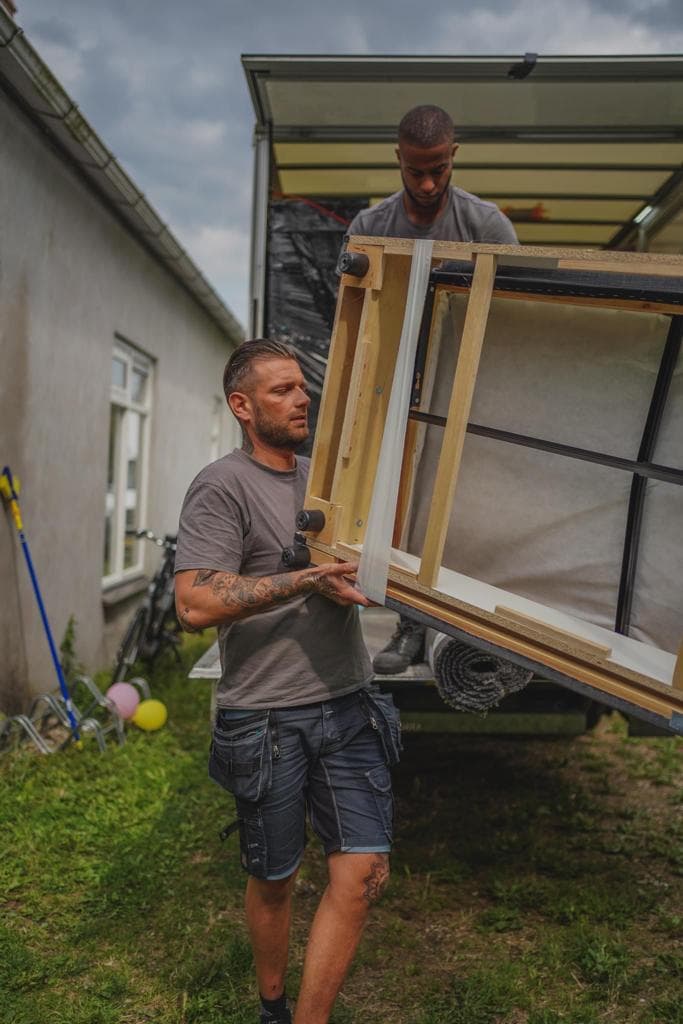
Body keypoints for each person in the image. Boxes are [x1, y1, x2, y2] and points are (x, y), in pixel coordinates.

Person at [174, 338, 402, 1024]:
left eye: (302, 387)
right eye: (280, 390)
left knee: (361, 876)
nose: (301, 398)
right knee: (275, 880)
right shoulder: (223, 484)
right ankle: (272, 1004)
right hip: (267, 717)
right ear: (242, 406)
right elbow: (193, 603)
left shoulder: (325, 480)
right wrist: (301, 580)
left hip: (348, 701)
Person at [341, 103, 518, 674]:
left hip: (465, 392)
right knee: (398, 510)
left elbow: (515, 319)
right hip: (393, 393)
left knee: (467, 512)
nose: (425, 182)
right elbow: (352, 320)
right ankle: (411, 627)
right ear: (397, 158)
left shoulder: (486, 226)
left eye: (437, 169)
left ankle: (483, 628)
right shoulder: (370, 228)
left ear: (453, 157)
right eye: (415, 169)